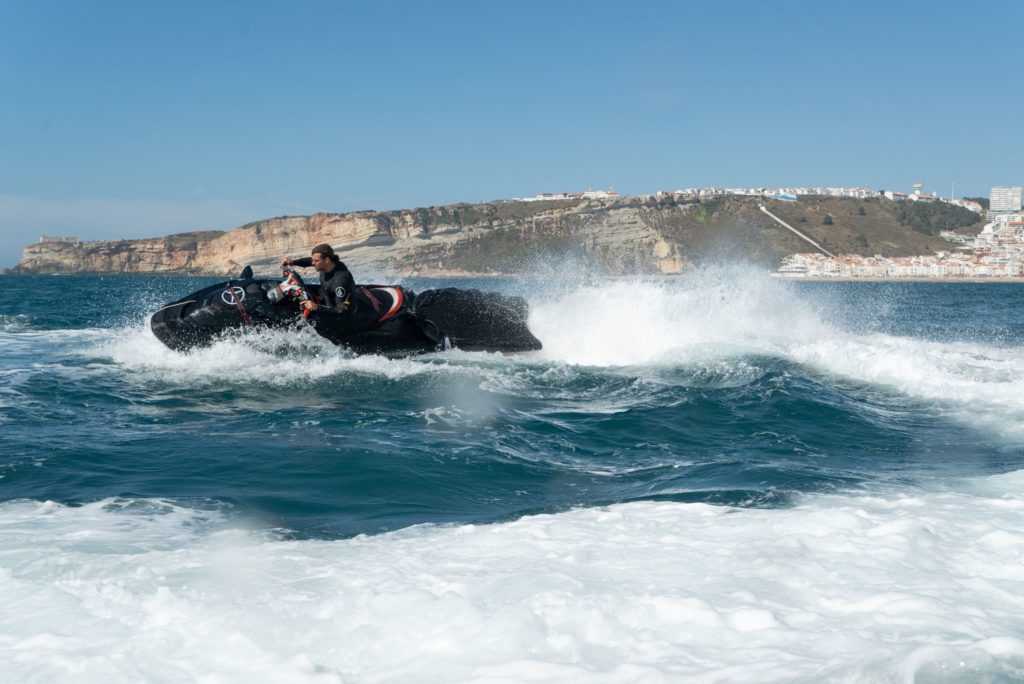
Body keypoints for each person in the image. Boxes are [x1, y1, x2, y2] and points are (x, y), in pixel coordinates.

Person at [281, 244, 379, 334]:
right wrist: (293, 262)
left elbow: (340, 311)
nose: (313, 263)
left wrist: (316, 307)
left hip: (342, 316)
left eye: (316, 261)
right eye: (313, 260)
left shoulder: (340, 282)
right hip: (327, 297)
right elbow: (309, 261)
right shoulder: (328, 265)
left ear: (327, 260)